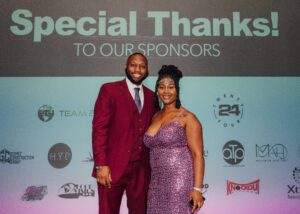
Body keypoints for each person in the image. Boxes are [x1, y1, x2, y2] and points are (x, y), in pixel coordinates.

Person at [92, 52, 157, 214]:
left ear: (147, 70)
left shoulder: (152, 97)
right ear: (126, 67)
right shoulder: (109, 90)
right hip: (111, 168)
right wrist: (101, 165)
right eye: (133, 65)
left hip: (141, 171)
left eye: (142, 66)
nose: (137, 69)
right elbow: (100, 129)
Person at [144, 65, 205, 214]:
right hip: (156, 182)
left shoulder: (187, 118)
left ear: (177, 90)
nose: (166, 91)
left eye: (171, 87)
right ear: (157, 90)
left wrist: (197, 189)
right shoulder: (155, 116)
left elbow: (198, 155)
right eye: (161, 87)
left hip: (179, 180)